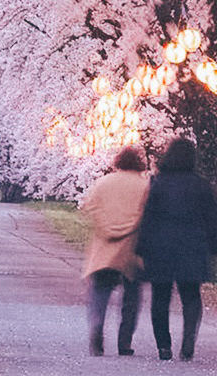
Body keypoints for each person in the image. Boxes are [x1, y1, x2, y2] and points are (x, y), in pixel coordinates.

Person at [136, 138, 217, 361]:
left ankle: (164, 346)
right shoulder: (201, 185)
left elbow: (148, 218)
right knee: (191, 296)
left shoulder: (158, 183)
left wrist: (142, 248)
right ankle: (188, 342)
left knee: (160, 297)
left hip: (161, 248)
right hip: (192, 247)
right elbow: (212, 219)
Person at [82, 146, 150, 357]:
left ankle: (96, 324)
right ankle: (124, 341)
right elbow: (148, 212)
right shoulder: (145, 185)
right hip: (131, 247)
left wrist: (104, 227)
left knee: (100, 291)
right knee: (131, 296)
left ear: (118, 161)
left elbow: (90, 206)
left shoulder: (103, 183)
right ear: (139, 163)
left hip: (105, 246)